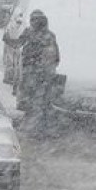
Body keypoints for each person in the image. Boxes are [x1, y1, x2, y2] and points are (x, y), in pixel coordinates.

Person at [16, 9, 60, 137]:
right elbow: (18, 44)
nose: (34, 22)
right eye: (33, 20)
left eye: (36, 20)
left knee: (37, 103)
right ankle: (39, 128)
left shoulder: (44, 36)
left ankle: (35, 129)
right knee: (35, 103)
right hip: (34, 74)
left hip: (37, 75)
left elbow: (53, 57)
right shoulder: (34, 33)